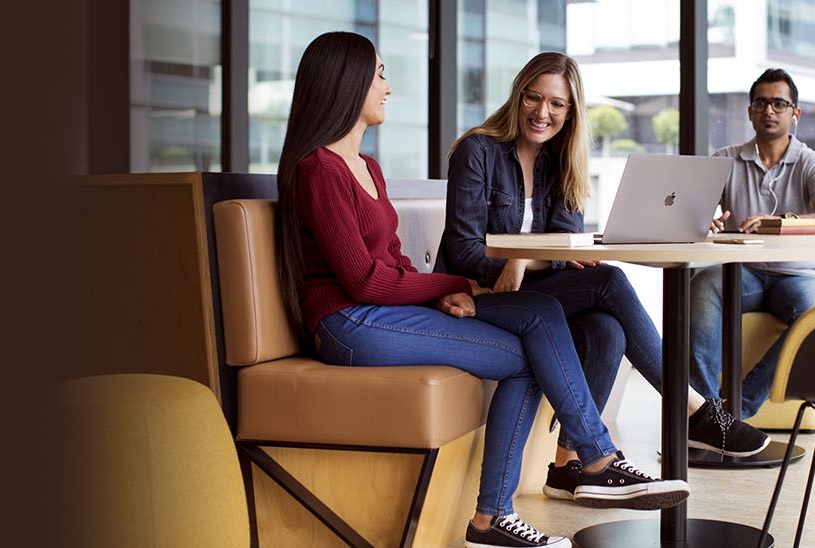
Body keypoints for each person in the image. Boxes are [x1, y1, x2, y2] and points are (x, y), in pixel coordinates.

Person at [276, 32, 688, 548]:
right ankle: (596, 458)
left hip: (380, 313)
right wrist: (455, 283)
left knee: (536, 330)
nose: (387, 86)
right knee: (538, 330)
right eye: (380, 74)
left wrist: (435, 293)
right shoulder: (320, 170)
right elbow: (363, 280)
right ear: (346, 82)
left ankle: (494, 517)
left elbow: (395, 262)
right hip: (349, 324)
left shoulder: (368, 168)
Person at [434, 52, 770, 498]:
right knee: (609, 282)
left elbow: (569, 247)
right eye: (534, 98)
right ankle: (694, 412)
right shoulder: (477, 151)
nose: (543, 112)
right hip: (478, 295)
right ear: (518, 97)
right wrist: (516, 258)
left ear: (571, 112)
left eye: (557, 104)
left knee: (608, 330)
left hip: (537, 292)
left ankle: (569, 465)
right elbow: (463, 251)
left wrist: (524, 257)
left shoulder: (562, 162)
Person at [691, 68, 815, 417]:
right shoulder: (725, 159)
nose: (769, 111)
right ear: (750, 112)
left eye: (779, 103)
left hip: (800, 275)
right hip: (743, 273)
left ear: (795, 114)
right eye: (761, 103)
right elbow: (693, 210)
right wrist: (706, 221)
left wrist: (778, 224)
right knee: (702, 287)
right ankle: (701, 414)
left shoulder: (810, 162)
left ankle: (736, 411)